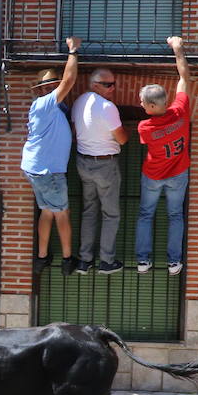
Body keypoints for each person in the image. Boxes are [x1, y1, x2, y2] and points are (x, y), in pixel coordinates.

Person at [21, 37, 81, 277]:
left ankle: (42, 257)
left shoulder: (46, 107)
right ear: (44, 89)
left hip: (37, 169)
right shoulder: (45, 104)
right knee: (61, 213)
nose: (52, 89)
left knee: (46, 211)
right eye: (50, 86)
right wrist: (73, 51)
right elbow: (69, 81)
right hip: (49, 172)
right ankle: (67, 259)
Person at [136, 36, 192, 276]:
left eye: (142, 103)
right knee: (175, 215)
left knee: (146, 214)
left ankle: (143, 260)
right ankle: (174, 262)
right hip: (178, 174)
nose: (140, 105)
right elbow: (184, 79)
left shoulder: (145, 127)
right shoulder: (180, 110)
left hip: (153, 176)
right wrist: (178, 50)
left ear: (150, 106)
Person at [71, 67, 128, 275]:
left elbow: (75, 133)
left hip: (83, 162)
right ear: (95, 84)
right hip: (105, 165)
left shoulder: (78, 102)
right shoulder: (108, 107)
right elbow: (122, 139)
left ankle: (84, 261)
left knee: (89, 211)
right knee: (111, 214)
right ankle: (106, 261)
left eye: (113, 83)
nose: (112, 88)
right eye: (107, 84)